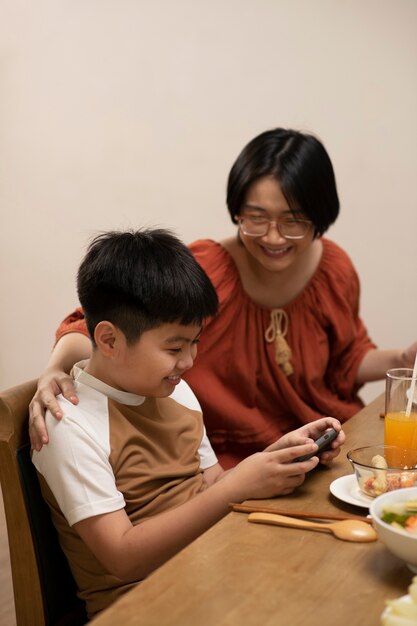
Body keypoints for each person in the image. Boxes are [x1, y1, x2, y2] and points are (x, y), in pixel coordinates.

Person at [29, 129, 417, 468]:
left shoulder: (334, 268)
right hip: (224, 459)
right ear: (236, 211)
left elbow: (346, 358)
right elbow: (99, 324)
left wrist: (402, 361)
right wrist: (54, 369)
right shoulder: (209, 268)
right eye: (256, 217)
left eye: (293, 221)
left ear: (320, 217)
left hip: (319, 444)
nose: (273, 237)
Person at [31, 228, 344, 618]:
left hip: (214, 566)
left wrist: (278, 457)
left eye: (195, 342)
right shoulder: (67, 425)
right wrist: (241, 482)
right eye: (175, 347)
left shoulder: (172, 390)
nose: (189, 360)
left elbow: (210, 483)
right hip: (146, 605)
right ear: (108, 341)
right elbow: (123, 557)